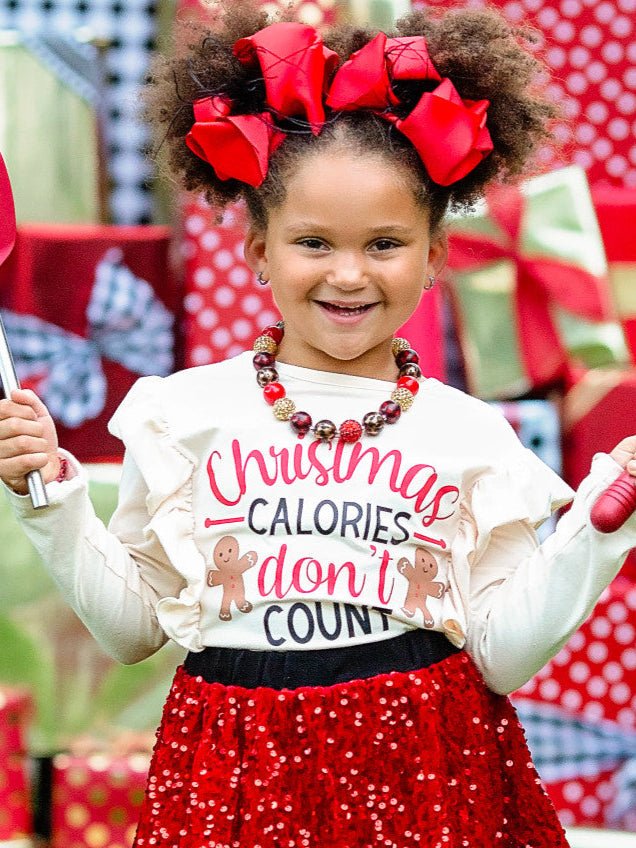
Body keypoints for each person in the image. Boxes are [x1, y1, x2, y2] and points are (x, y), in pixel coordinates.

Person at [1, 4, 635, 846]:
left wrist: (596, 532)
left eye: (383, 243)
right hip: (232, 768)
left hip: (423, 765)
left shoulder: (473, 438)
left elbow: (502, 656)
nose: (347, 274)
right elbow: (132, 633)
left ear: (436, 254)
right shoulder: (184, 415)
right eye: (312, 242)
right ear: (258, 250)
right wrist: (54, 502)